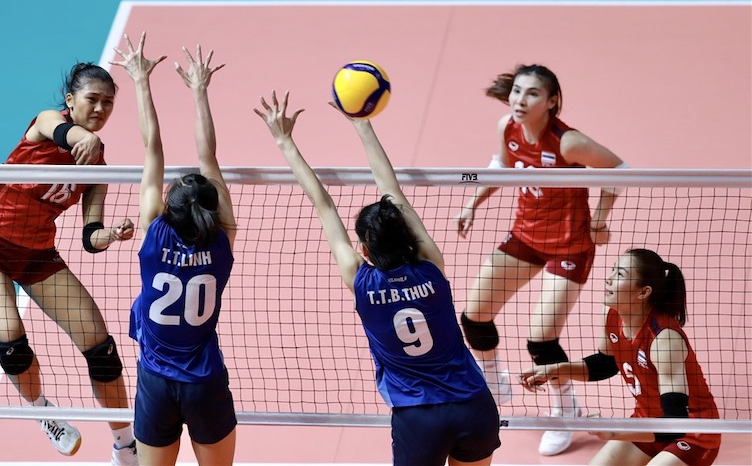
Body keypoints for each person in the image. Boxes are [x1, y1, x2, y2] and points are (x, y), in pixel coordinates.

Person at [256, 91, 501, 466]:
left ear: (364, 252)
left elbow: (323, 204)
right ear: (408, 239)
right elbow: (392, 192)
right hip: (473, 405)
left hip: (419, 418)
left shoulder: (360, 280)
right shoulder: (431, 267)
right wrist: (362, 123)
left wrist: (283, 141)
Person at [0, 62, 138, 465]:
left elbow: (90, 236)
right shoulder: (45, 123)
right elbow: (65, 133)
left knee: (101, 347)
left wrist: (110, 235)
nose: (100, 109)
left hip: (38, 256)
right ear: (71, 101)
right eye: (92, 100)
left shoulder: (98, 170)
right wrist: (82, 137)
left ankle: (126, 444)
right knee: (12, 342)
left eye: (108, 103)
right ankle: (43, 411)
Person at [454, 63, 627, 456]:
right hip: (524, 237)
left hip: (569, 247)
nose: (519, 100)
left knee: (541, 339)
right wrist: (472, 203)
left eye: (531, 94)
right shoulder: (508, 128)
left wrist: (599, 218)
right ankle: (495, 381)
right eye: (517, 91)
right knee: (474, 315)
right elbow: (500, 168)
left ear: (551, 102)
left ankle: (567, 411)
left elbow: (619, 169)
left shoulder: (568, 143)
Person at [111, 32, 237, 466]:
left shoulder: (152, 234)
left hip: (156, 383)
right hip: (205, 382)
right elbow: (209, 157)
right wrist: (200, 91)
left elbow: (152, 149)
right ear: (212, 209)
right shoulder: (223, 238)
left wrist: (140, 82)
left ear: (167, 205)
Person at [519, 248, 721, 466]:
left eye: (620, 274)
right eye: (613, 270)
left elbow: (675, 424)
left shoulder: (664, 339)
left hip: (692, 434)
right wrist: (554, 370)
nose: (608, 278)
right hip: (646, 423)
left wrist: (614, 431)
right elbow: (605, 364)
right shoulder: (612, 315)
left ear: (643, 292)